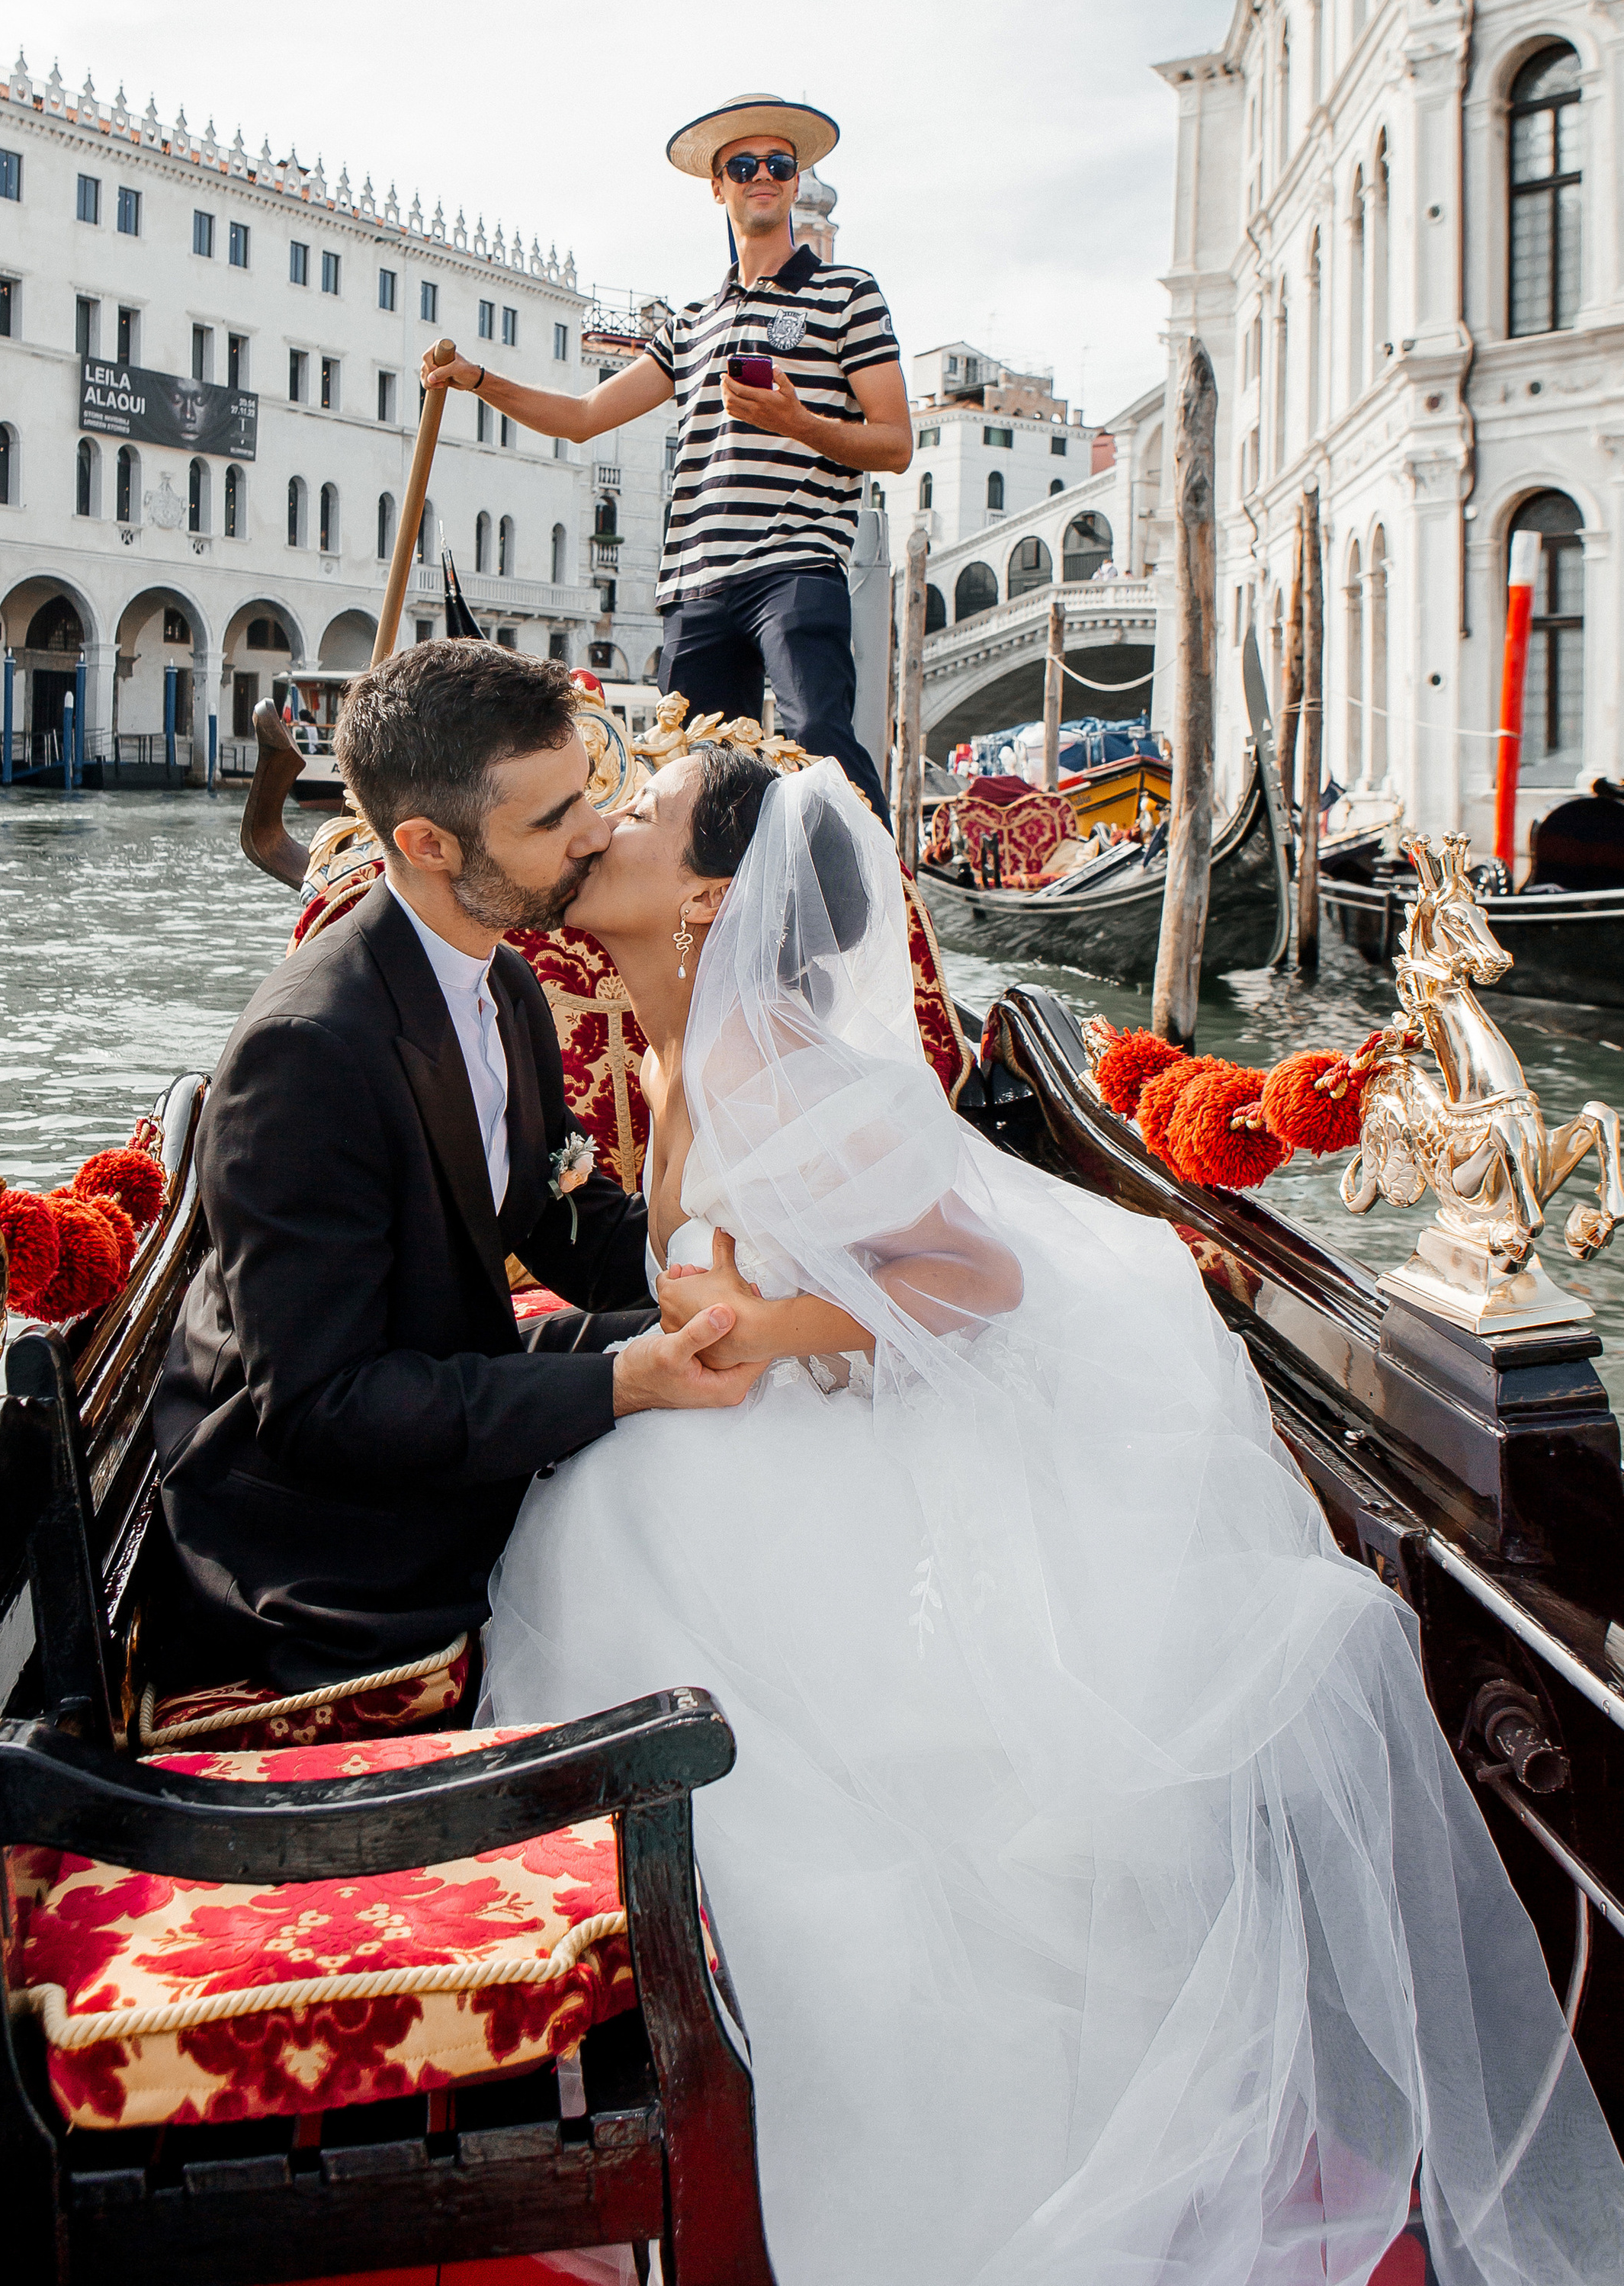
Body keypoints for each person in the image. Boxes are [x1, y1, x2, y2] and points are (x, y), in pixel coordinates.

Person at [483, 744, 1624, 2284]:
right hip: (746, 1434)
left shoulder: (767, 1058)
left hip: (786, 1449)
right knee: (606, 1550)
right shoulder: (696, 1033)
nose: (608, 824)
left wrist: (763, 1331)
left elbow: (974, 1279)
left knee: (660, 1624)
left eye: (643, 811)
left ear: (706, 896)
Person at [152, 641, 762, 1691]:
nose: (598, 833)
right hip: (317, 1546)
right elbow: (320, 1411)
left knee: (770, 1390)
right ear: (430, 843)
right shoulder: (306, 1054)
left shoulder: (504, 986)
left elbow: (564, 1218)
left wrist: (742, 1289)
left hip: (436, 1398)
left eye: (590, 795)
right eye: (550, 821)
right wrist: (619, 1382)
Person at [418, 93, 911, 822]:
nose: (762, 176)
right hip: (697, 582)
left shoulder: (850, 295)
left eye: (778, 163)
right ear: (718, 186)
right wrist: (478, 382)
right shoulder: (690, 325)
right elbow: (585, 418)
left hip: (796, 564)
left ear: (797, 179)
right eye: (743, 166)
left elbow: (895, 443)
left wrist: (796, 420)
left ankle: (878, 916)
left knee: (818, 742)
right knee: (698, 787)